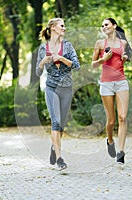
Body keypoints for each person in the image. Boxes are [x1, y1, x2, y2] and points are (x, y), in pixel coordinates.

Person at [36, 18, 80, 170]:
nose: (64, 28)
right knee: (55, 122)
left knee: (61, 125)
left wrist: (62, 58)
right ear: (53, 28)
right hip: (51, 88)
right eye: (62, 26)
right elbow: (37, 71)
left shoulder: (67, 46)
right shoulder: (43, 48)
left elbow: (77, 65)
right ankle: (60, 159)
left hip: (67, 88)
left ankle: (54, 148)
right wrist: (43, 62)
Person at [92, 18, 132, 164]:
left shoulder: (124, 43)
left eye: (106, 24)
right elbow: (93, 65)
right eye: (102, 25)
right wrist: (104, 59)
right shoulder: (100, 43)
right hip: (106, 84)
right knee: (111, 121)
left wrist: (125, 57)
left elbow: (124, 57)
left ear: (114, 26)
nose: (104, 27)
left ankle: (121, 152)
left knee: (122, 117)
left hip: (121, 82)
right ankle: (110, 141)